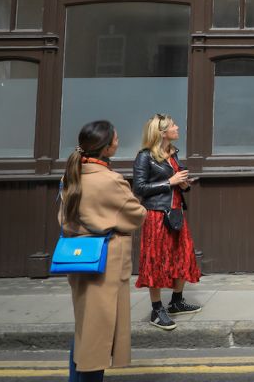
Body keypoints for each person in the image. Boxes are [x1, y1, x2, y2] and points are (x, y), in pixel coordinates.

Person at [60, 120, 146, 382]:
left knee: (85, 328)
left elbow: (64, 218)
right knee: (98, 333)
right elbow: (137, 215)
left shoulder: (72, 175)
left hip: (79, 257)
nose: (118, 142)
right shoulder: (110, 180)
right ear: (106, 149)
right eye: (116, 139)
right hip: (104, 261)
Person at [133, 113, 201, 330]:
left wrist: (183, 184)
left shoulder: (172, 153)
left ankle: (176, 301)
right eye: (173, 125)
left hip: (175, 212)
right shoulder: (145, 156)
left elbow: (177, 183)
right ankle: (156, 310)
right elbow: (139, 188)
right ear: (162, 132)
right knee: (155, 261)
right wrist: (169, 182)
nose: (177, 127)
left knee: (183, 256)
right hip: (156, 215)